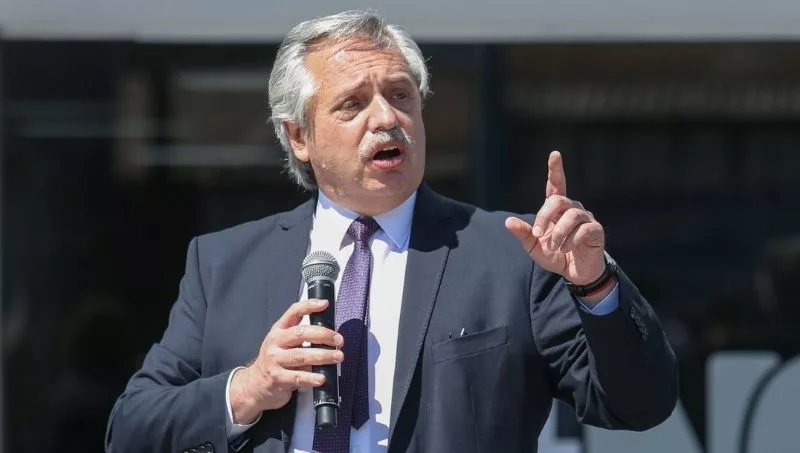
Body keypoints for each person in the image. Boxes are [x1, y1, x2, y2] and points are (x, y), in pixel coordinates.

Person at [105, 10, 678, 453]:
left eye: (400, 95)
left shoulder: (512, 253)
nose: (386, 118)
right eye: (353, 104)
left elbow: (640, 405)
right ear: (299, 137)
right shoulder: (224, 264)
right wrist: (249, 388)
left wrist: (595, 285)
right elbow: (130, 430)